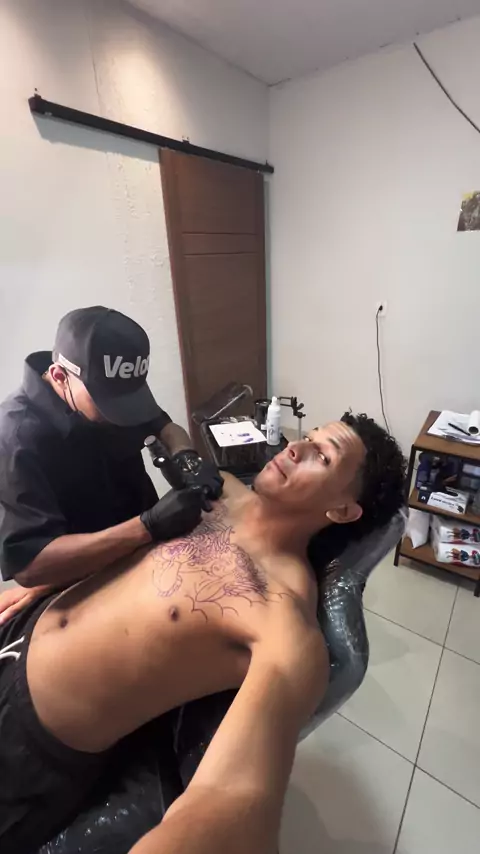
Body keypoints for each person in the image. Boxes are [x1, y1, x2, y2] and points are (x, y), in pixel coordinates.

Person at [0, 413, 405, 853]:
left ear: (342, 510)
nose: (295, 447)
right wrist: (47, 581)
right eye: (307, 436)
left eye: (322, 456)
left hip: (31, 743)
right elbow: (164, 433)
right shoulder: (220, 489)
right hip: (19, 623)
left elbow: (235, 799)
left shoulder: (283, 617)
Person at [0, 306, 223, 622]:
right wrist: (147, 527)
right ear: (60, 376)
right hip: (86, 588)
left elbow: (164, 426)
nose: (123, 415)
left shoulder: (112, 386)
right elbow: (31, 564)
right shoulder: (16, 438)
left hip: (149, 558)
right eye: (109, 405)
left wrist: (186, 456)